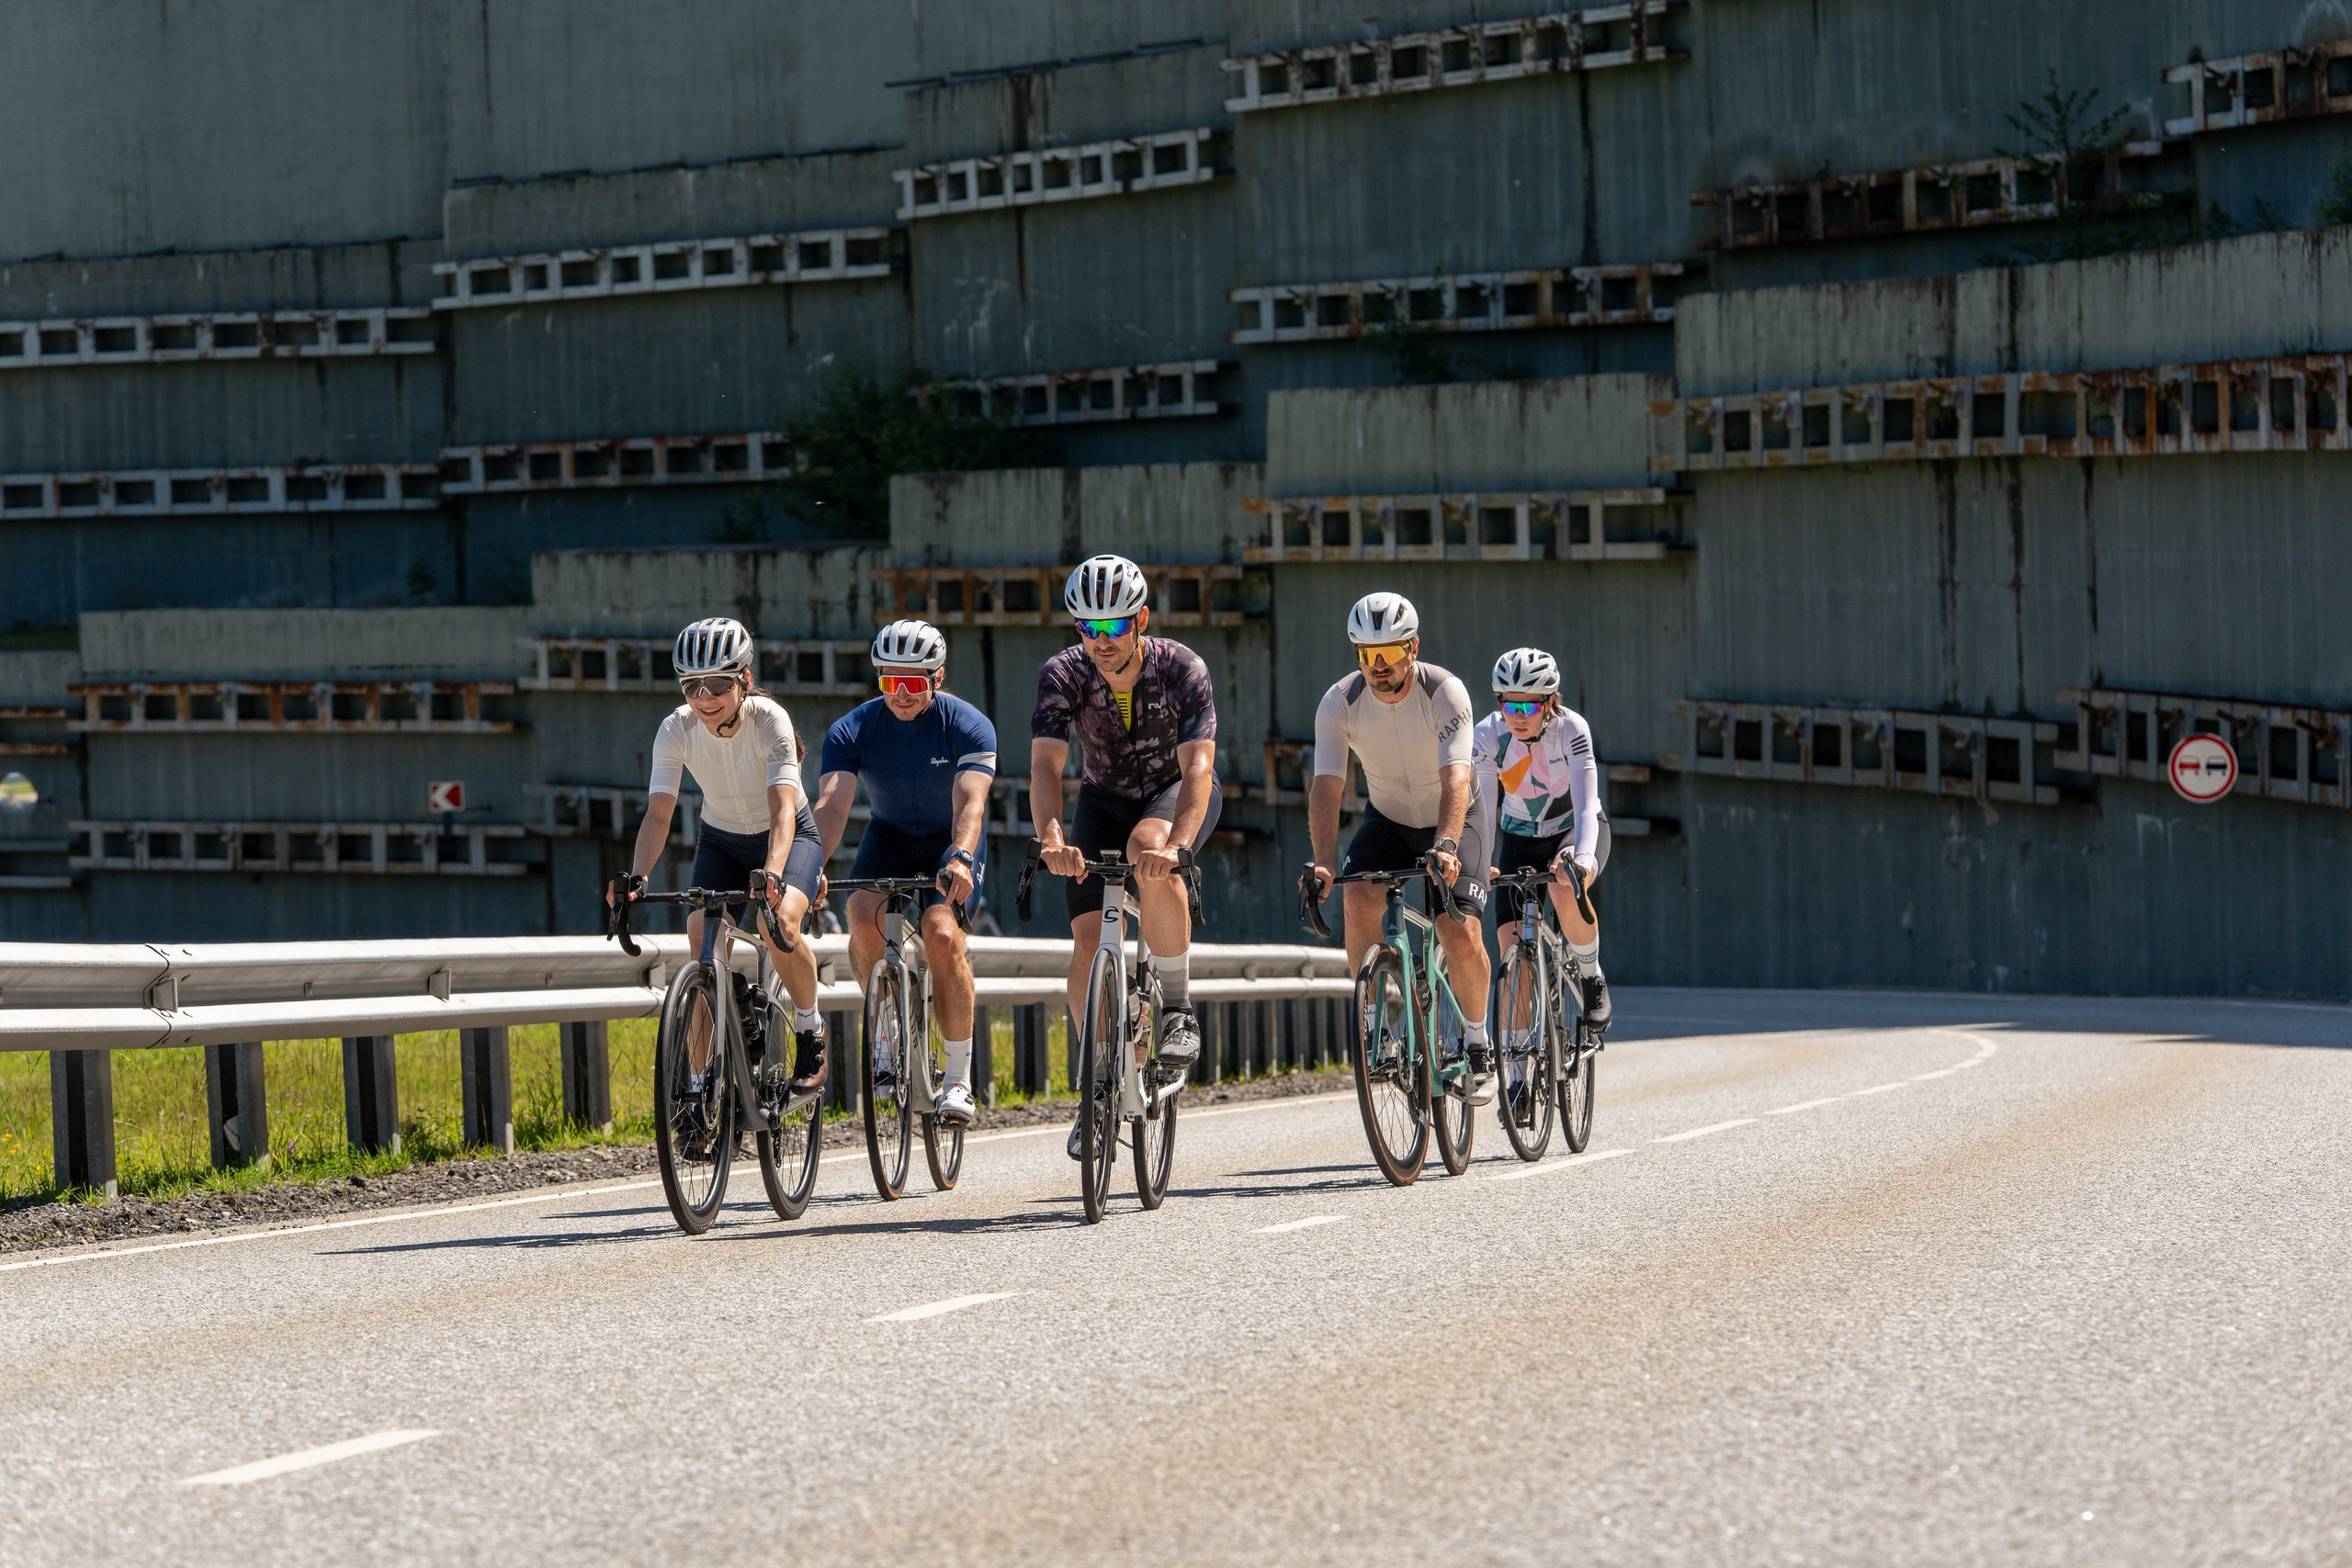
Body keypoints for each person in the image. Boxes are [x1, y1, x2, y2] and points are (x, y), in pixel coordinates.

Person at [1032, 553, 1220, 1156]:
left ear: (1140, 620)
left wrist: (1180, 843)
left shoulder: (1182, 668)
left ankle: (1178, 1009)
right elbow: (1044, 764)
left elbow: (1198, 769)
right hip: (1102, 799)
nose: (1101, 641)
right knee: (1088, 939)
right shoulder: (1063, 673)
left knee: (1147, 848)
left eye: (1113, 628)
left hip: (1175, 793)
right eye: (1088, 629)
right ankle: (1097, 1088)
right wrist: (1052, 836)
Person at [608, 617, 829, 1112]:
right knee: (699, 940)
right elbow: (659, 813)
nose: (704, 697)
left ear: (744, 681)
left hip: (789, 838)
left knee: (779, 927)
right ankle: (698, 1085)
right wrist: (638, 877)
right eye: (692, 686)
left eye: (718, 685)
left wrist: (773, 874)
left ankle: (812, 1030)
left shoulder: (769, 719)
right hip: (723, 842)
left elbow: (781, 811)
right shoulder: (675, 729)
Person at [1300, 592, 1498, 1103]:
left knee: (1458, 929)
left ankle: (1477, 1040)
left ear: (1412, 648)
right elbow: (1327, 786)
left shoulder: (1445, 692)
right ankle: (1374, 1025)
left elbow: (1457, 777)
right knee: (1356, 893)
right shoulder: (1338, 703)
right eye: (1366, 655)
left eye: (1387, 653)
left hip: (1456, 818)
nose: (1377, 666)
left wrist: (1448, 844)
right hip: (1387, 820)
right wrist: (1322, 862)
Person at [810, 618, 997, 1126]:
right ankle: (886, 1033)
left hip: (948, 843)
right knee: (860, 909)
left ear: (937, 679)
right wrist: (809, 868)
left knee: (941, 934)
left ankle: (957, 1079)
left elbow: (971, 802)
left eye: (913, 683)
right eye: (889, 682)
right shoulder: (852, 728)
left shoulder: (968, 725)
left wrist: (960, 855)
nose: (901, 694)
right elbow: (831, 807)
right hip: (889, 836)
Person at [1476, 649, 1612, 1077]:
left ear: (1550, 702)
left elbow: (1587, 804)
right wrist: (1480, 864)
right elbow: (1483, 812)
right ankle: (1516, 1079)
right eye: (1508, 703)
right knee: (1512, 959)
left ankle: (1590, 976)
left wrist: (1585, 860)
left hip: (1572, 830)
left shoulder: (1572, 729)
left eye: (1529, 706)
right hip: (1519, 841)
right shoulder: (1487, 736)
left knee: (1562, 884)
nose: (1518, 715)